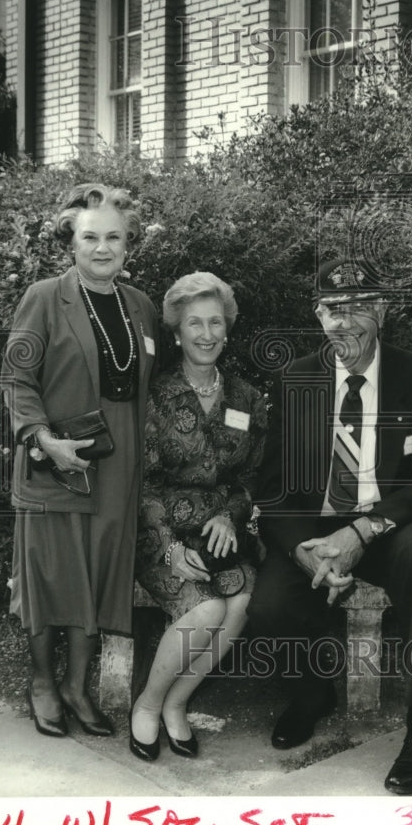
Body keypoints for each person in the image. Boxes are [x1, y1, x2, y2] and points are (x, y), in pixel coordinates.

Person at [251, 257, 412, 795]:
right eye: (332, 310)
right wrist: (304, 550)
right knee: (267, 607)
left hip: (385, 526)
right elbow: (271, 490)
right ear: (318, 317)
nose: (345, 322)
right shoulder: (295, 377)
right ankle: (312, 693)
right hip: (315, 526)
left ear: (381, 311)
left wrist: (363, 532)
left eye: (359, 308)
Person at [2, 183, 159, 738]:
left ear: (128, 244)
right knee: (50, 574)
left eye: (113, 237)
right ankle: (43, 682)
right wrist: (42, 439)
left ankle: (76, 685)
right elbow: (19, 379)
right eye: (90, 236)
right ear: (71, 240)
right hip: (54, 458)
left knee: (97, 573)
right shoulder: (44, 297)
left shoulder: (139, 304)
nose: (102, 247)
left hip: (117, 464)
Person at [130, 272, 267, 762]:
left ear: (226, 330)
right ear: (177, 332)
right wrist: (168, 544)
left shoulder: (247, 399)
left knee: (242, 598)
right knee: (206, 608)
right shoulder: (156, 396)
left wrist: (232, 515)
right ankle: (147, 706)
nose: (206, 333)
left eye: (215, 322)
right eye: (195, 323)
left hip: (218, 532)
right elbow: (142, 483)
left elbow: (252, 477)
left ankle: (177, 704)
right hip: (159, 529)